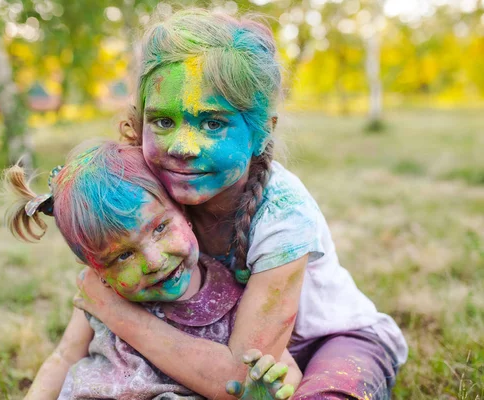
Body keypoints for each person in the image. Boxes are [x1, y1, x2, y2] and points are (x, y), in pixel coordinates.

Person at [71, 8, 408, 400]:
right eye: (162, 121)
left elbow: (237, 379)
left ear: (263, 132)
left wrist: (117, 314)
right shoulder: (152, 187)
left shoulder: (284, 213)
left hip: (332, 341)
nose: (182, 147)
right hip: (214, 349)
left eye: (213, 123)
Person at [4, 141, 301, 400]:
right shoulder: (97, 297)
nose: (155, 261)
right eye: (123, 256)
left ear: (183, 213)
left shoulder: (230, 294)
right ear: (98, 271)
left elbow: (284, 368)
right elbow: (63, 357)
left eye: (159, 228)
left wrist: (263, 390)